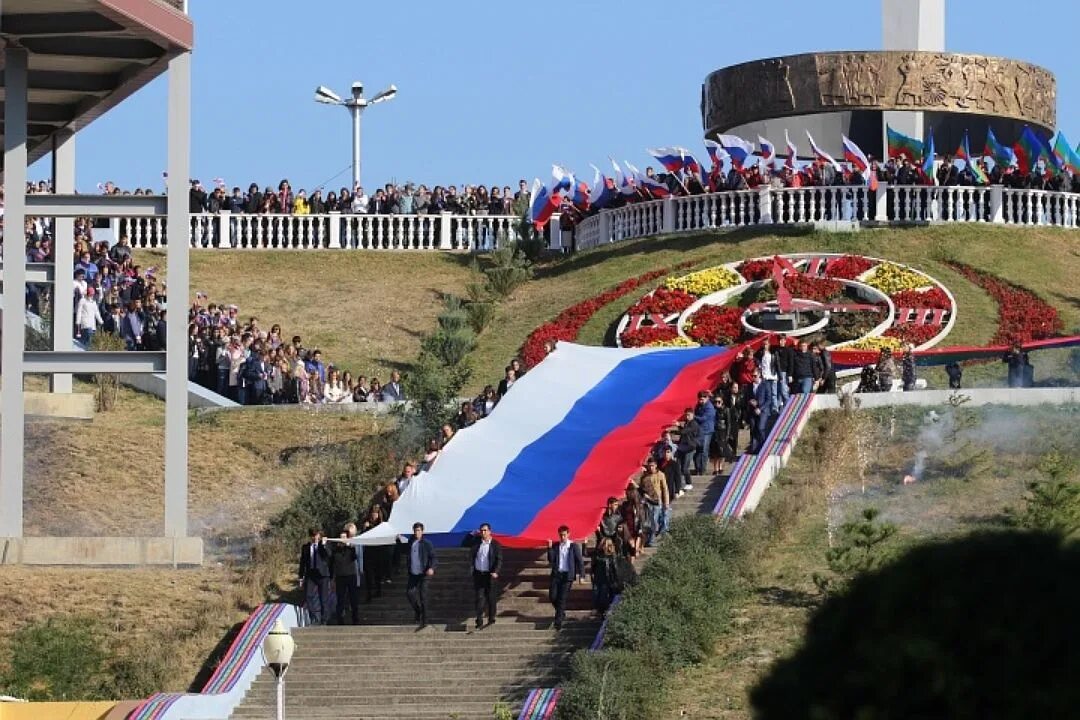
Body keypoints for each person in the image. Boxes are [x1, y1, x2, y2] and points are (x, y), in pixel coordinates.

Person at [546, 525, 584, 631]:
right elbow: (551, 559)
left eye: (564, 535)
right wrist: (549, 548)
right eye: (561, 535)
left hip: (568, 576)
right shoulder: (556, 546)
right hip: (557, 574)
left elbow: (579, 561)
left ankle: (558, 622)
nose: (562, 537)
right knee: (553, 597)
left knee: (562, 598)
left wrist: (582, 575)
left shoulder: (573, 546)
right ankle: (561, 612)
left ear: (568, 534)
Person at [468, 522, 503, 629]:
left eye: (485, 530)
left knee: (491, 598)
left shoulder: (495, 544)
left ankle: (491, 617)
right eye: (482, 531)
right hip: (479, 574)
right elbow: (464, 543)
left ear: (489, 531)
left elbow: (499, 560)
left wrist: (496, 571)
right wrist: (471, 535)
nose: (483, 532)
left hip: (490, 575)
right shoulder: (476, 543)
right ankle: (479, 620)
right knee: (479, 598)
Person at [405, 522, 436, 628]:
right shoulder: (411, 542)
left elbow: (433, 557)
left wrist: (431, 567)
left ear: (422, 531)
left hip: (424, 573)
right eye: (415, 530)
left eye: (418, 530)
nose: (416, 532)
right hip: (413, 573)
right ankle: (418, 611)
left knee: (423, 595)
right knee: (410, 593)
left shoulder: (427, 543)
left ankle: (425, 620)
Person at [298, 528, 332, 625]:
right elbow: (302, 562)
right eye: (312, 535)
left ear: (319, 535)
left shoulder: (323, 545)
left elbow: (328, 556)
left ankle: (324, 619)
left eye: (316, 535)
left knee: (323, 598)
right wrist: (301, 577)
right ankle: (313, 617)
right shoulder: (306, 547)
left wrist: (323, 545)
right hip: (311, 574)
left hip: (322, 575)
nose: (314, 537)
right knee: (308, 596)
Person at [331, 525, 361, 625]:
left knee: (353, 598)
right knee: (340, 599)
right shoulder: (335, 550)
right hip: (340, 577)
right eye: (341, 537)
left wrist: (348, 545)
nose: (342, 540)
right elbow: (331, 562)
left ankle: (355, 619)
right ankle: (340, 620)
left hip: (351, 575)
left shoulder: (351, 548)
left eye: (344, 537)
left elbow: (354, 557)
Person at [638, 457, 670, 545]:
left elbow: (665, 489)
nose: (651, 467)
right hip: (647, 501)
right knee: (648, 521)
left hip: (657, 501)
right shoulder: (645, 476)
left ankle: (651, 540)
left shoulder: (660, 475)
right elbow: (641, 488)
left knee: (654, 520)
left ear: (655, 465)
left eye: (652, 466)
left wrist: (666, 502)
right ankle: (650, 538)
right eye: (649, 466)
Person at [590, 537, 619, 617]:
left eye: (606, 545)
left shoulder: (612, 557)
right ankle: (599, 610)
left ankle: (604, 611)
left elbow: (615, 569)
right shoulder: (597, 555)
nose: (605, 546)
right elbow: (593, 567)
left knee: (605, 596)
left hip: (608, 580)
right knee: (597, 595)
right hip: (598, 579)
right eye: (604, 544)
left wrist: (615, 580)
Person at [676, 407, 700, 492]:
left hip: (690, 447)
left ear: (693, 415)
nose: (687, 416)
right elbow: (683, 431)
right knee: (680, 466)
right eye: (686, 415)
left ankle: (689, 483)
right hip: (683, 446)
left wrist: (679, 426)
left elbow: (685, 431)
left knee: (685, 467)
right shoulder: (687, 423)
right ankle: (682, 483)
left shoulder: (694, 424)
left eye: (689, 415)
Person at [693, 391, 716, 476]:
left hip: (706, 431)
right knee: (698, 450)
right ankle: (697, 468)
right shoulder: (698, 406)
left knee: (704, 450)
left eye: (702, 399)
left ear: (707, 398)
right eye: (700, 399)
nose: (701, 401)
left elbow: (703, 418)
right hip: (699, 431)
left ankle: (702, 469)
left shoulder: (709, 407)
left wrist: (693, 417)